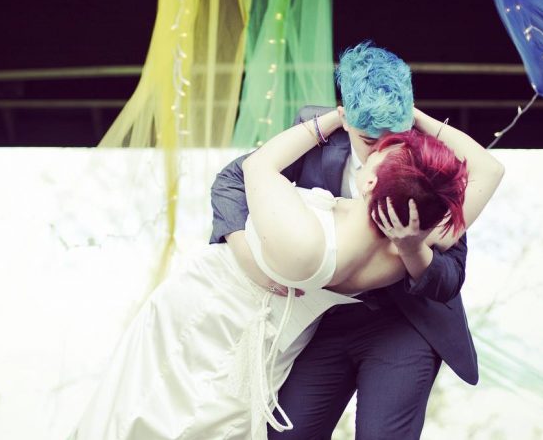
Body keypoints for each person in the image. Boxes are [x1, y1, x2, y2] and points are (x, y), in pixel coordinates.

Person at [67, 102, 503, 439]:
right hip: (260, 323)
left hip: (230, 308)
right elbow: (490, 168)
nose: (385, 145)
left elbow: (254, 168)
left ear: (370, 182)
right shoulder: (423, 229)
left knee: (152, 412)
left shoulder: (307, 242)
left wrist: (332, 119)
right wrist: (242, 246)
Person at [210, 42, 504, 439]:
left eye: (396, 134)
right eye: (369, 138)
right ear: (345, 118)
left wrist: (412, 249)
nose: (385, 147)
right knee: (285, 434)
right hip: (321, 321)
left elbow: (448, 279)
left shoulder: (430, 159)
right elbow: (235, 179)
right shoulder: (313, 134)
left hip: (404, 322)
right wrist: (245, 255)